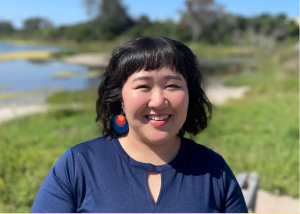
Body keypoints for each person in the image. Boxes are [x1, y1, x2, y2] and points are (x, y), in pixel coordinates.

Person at [31, 37, 248, 213]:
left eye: (172, 85)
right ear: (120, 99)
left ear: (190, 95)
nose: (158, 101)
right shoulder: (77, 165)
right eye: (143, 86)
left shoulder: (215, 170)